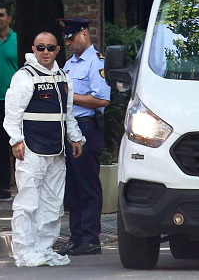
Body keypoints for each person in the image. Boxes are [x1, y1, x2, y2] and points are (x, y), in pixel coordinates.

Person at [3, 32, 85, 267]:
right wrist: (16, 140)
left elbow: (67, 114)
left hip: (57, 150)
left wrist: (75, 137)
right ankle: (24, 252)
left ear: (58, 50)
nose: (46, 52)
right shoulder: (24, 76)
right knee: (27, 203)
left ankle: (43, 248)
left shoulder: (62, 76)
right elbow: (12, 113)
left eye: (50, 48)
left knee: (52, 204)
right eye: (41, 48)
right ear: (34, 48)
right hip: (32, 148)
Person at [56, 18, 111, 256]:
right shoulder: (69, 64)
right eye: (65, 38)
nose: (68, 42)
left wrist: (70, 95)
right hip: (69, 127)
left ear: (85, 35)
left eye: (71, 37)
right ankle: (76, 237)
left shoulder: (96, 62)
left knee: (88, 185)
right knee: (73, 187)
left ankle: (91, 238)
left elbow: (102, 100)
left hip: (87, 127)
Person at [0, 4, 18, 202]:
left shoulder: (18, 40)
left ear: (9, 18)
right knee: (0, 144)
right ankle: (5, 187)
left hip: (16, 100)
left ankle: (23, 185)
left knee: (18, 142)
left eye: (1, 15)